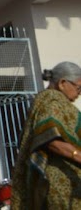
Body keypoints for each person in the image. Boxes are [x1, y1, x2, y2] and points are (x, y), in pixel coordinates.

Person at [12, 61, 81, 210]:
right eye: (78, 88)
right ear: (62, 83)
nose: (79, 93)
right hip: (59, 184)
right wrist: (78, 155)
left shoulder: (46, 101)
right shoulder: (52, 101)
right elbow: (50, 140)